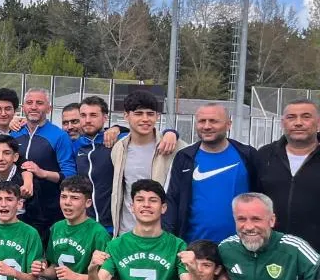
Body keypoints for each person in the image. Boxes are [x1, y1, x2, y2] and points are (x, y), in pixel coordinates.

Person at [164, 104, 257, 242]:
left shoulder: (247, 155)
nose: (207, 126)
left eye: (213, 121)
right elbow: (172, 200)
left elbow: (262, 197)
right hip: (195, 247)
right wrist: (170, 240)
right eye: (202, 121)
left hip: (240, 246)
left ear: (228, 124)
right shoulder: (184, 158)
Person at [111, 91, 183, 235]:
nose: (145, 119)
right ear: (126, 116)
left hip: (161, 235)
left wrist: (172, 133)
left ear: (157, 116)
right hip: (126, 232)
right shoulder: (118, 148)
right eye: (138, 114)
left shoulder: (176, 147)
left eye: (150, 114)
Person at [254, 98, 320, 247]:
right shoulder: (264, 155)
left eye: (306, 117)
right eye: (291, 117)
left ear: (318, 122)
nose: (298, 123)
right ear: (283, 123)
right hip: (273, 249)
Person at [11, 88, 75, 239]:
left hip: (47, 210)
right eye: (29, 103)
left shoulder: (59, 136)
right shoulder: (14, 132)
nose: (33, 107)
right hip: (16, 208)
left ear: (49, 108)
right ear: (23, 107)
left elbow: (70, 174)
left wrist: (42, 173)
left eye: (39, 103)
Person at [74, 96, 116, 232]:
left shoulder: (117, 141)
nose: (87, 120)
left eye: (93, 115)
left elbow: (140, 134)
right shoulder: (75, 145)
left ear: (105, 118)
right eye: (83, 115)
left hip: (113, 224)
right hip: (84, 224)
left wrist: (170, 133)